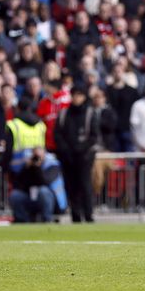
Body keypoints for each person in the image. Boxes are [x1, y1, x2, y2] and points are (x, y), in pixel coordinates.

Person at [56, 84, 98, 223]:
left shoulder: (89, 113)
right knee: (71, 185)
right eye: (74, 95)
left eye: (79, 95)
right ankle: (75, 215)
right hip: (68, 156)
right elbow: (58, 134)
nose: (76, 98)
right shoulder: (64, 114)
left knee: (85, 184)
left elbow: (93, 136)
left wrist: (81, 148)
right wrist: (65, 149)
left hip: (84, 156)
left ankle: (88, 214)